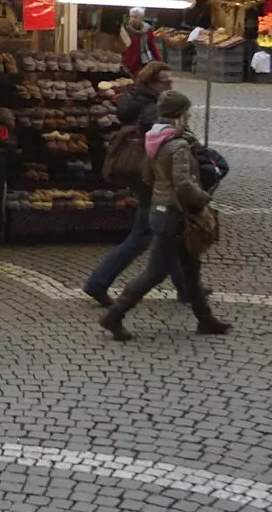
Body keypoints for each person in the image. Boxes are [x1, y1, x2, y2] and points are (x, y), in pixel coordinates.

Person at [99, 90, 231, 342]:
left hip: (161, 209)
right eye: (187, 112)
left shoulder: (154, 138)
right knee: (156, 272)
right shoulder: (179, 144)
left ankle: (205, 318)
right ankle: (114, 315)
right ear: (180, 114)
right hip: (174, 214)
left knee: (191, 268)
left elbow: (147, 175)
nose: (189, 116)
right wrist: (202, 198)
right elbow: (182, 183)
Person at [83, 62, 197, 307]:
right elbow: (158, 143)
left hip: (146, 176)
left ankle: (187, 287)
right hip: (151, 179)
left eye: (170, 82)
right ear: (151, 83)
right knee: (142, 235)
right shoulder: (151, 108)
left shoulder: (139, 100)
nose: (169, 86)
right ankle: (99, 283)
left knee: (172, 233)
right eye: (165, 82)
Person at [119, 6, 164, 77]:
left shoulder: (147, 29)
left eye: (136, 17)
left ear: (141, 18)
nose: (133, 19)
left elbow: (152, 46)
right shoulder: (125, 28)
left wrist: (159, 61)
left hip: (143, 60)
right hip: (127, 60)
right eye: (132, 17)